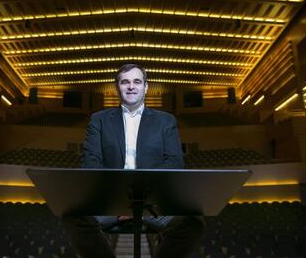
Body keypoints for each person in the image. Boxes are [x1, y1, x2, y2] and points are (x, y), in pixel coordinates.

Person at [62, 64, 204, 258]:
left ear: (146, 87)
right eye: (125, 82)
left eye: (137, 81)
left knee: (193, 223)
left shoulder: (166, 121)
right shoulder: (99, 120)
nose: (131, 86)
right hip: (110, 202)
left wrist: (141, 202)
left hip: (153, 204)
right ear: (117, 87)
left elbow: (174, 163)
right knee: (73, 218)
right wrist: (120, 201)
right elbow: (91, 163)